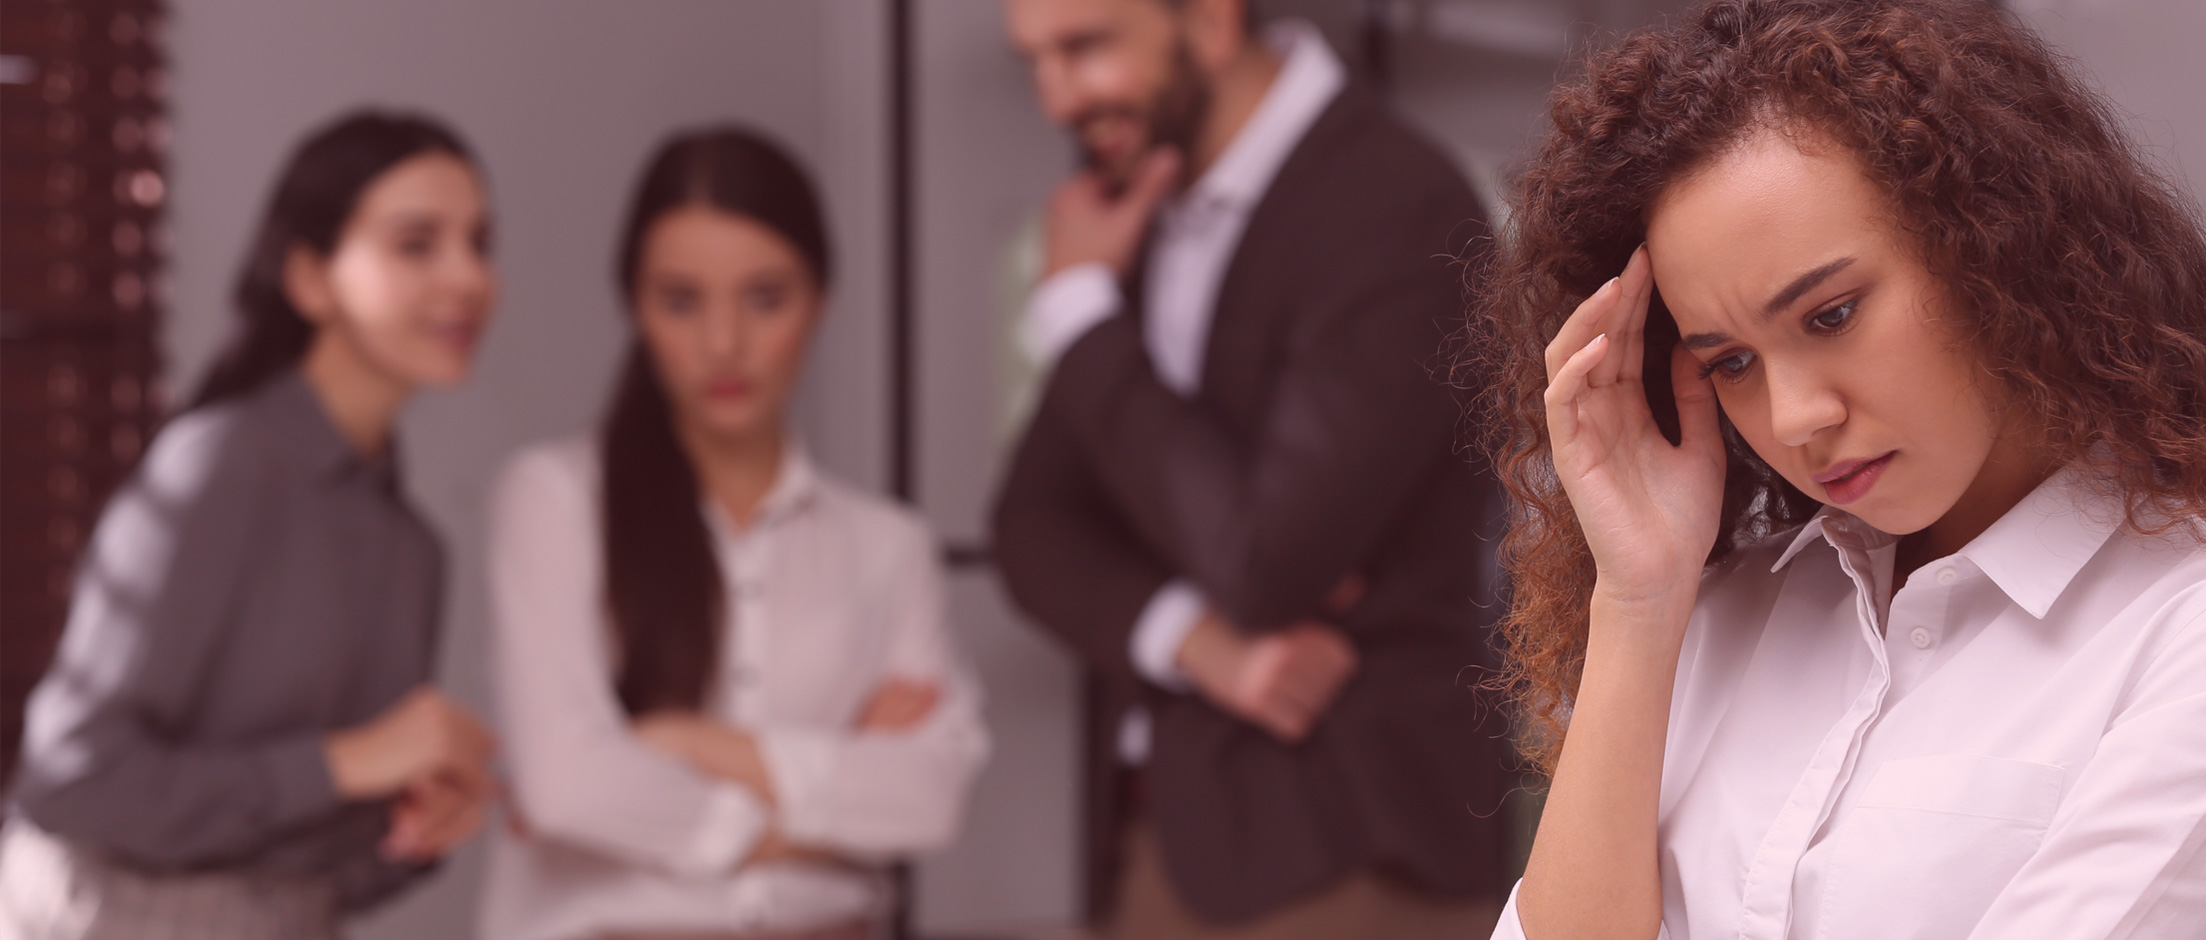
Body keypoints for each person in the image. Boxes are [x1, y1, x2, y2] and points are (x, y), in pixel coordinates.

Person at [1474, 2, 2206, 938]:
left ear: (1992, 249)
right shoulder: (1715, 620)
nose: (1795, 416)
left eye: (1830, 315)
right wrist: (1640, 602)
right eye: (1731, 361)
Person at [993, 1, 1512, 937]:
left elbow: (1266, 562)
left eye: (1086, 46)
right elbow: (1031, 528)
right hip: (1173, 837)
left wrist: (1076, 310)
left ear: (1212, 20)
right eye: (1035, 60)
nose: (1056, 98)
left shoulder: (1401, 204)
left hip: (1355, 842)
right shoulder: (1141, 208)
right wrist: (1196, 641)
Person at [479, 127, 988, 940]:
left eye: (765, 298)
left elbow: (930, 800)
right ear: (635, 307)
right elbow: (566, 786)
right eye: (681, 301)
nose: (723, 343)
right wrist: (817, 814)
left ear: (820, 301)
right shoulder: (553, 501)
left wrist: (681, 744)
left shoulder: (888, 546)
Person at [0, 111, 499, 939]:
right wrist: (349, 761)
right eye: (418, 244)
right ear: (309, 278)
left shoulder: (415, 550)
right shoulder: (219, 467)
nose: (469, 277)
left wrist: (414, 830)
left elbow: (316, 877)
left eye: (480, 242)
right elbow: (73, 783)